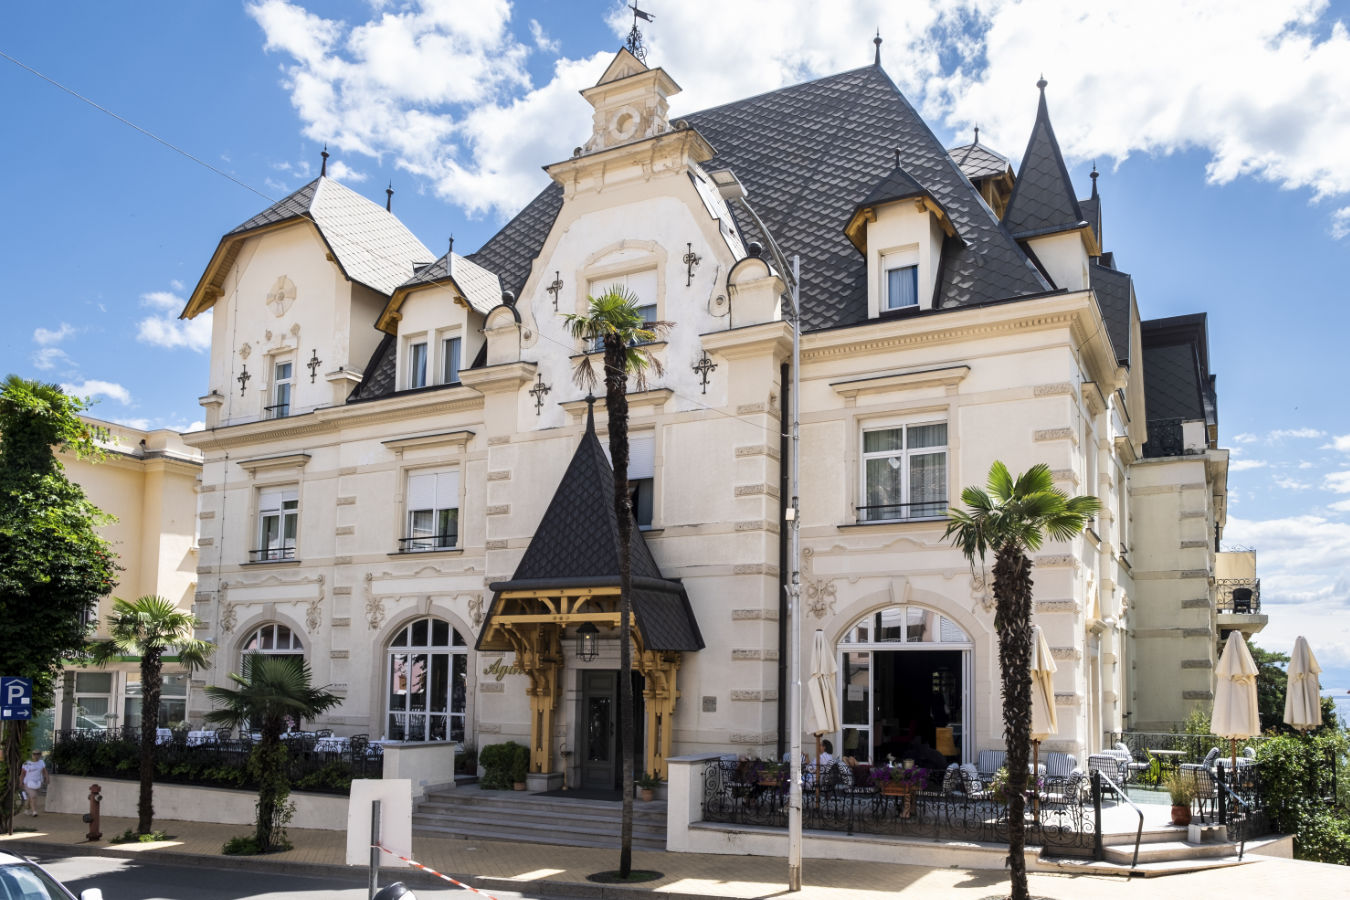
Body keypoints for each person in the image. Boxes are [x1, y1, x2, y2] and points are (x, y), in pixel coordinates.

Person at [21, 750, 48, 817]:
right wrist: (21, 782)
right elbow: (22, 774)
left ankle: (26, 809)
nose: (36, 756)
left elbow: (44, 771)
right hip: (28, 782)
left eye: (38, 754)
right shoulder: (26, 763)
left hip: (37, 782)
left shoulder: (41, 762)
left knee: (31, 797)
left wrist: (47, 778)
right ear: (32, 755)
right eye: (34, 754)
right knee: (33, 796)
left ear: (40, 755)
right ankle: (34, 811)